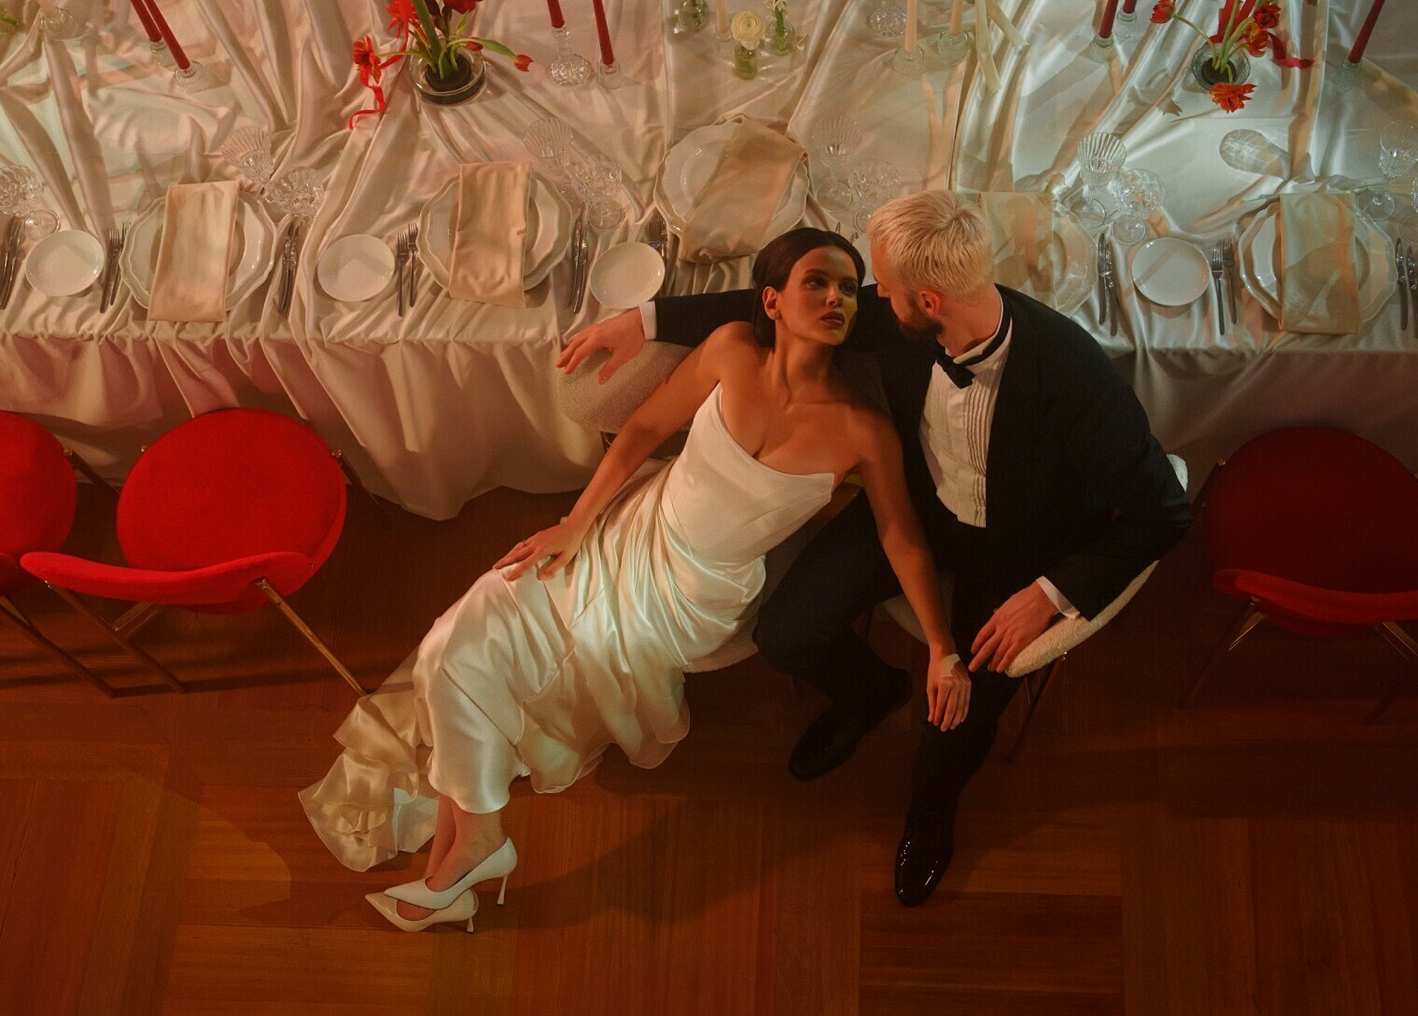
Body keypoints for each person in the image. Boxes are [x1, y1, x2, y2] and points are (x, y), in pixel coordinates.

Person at [300, 228, 971, 932]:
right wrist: (576, 523)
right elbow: (645, 431)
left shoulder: (863, 431)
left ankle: (468, 851)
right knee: (451, 641)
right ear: (772, 301)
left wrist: (940, 646)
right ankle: (477, 841)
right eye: (818, 282)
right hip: (633, 527)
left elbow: (902, 540)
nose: (837, 298)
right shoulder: (730, 349)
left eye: (848, 289)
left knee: (543, 654)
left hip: (694, 595)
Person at [559, 190, 1192, 906]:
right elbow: (776, 301)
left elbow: (1165, 513)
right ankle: (871, 691)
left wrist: (1050, 594)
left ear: (928, 301)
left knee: (958, 715)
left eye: (882, 289)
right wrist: (643, 320)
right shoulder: (906, 320)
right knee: (786, 634)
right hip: (915, 507)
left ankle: (931, 808)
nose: (870, 299)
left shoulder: (1077, 377)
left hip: (1018, 552)